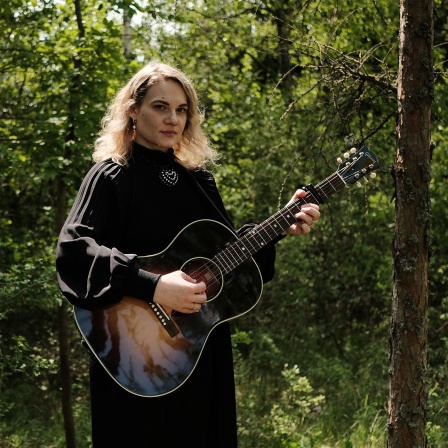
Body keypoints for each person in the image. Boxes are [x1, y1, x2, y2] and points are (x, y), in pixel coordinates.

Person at [55, 61, 320, 447]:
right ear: (133, 110)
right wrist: (153, 285)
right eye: (160, 107)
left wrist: (278, 230)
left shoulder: (198, 180)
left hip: (199, 351)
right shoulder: (111, 175)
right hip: (135, 355)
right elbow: (73, 250)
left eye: (182, 110)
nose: (173, 119)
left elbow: (228, 260)